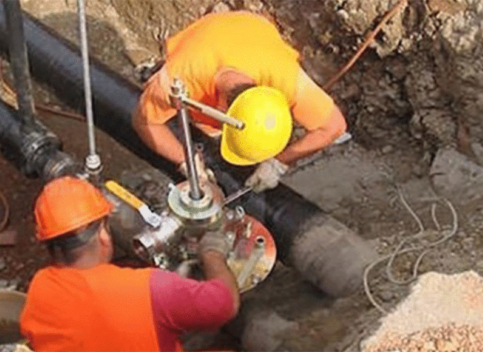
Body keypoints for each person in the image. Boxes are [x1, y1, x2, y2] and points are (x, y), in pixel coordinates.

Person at [133, 11, 347, 193]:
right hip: (207, 36)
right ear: (219, 110)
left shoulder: (284, 77)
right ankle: (154, 69)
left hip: (253, 29)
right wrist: (187, 161)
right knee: (200, 127)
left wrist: (279, 163)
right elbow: (143, 121)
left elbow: (334, 127)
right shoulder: (180, 78)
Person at [20, 176, 240, 352]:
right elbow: (224, 304)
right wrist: (212, 252)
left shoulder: (39, 290)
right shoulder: (147, 289)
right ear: (104, 235)